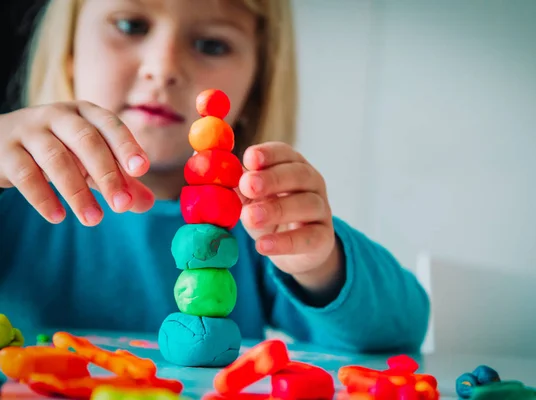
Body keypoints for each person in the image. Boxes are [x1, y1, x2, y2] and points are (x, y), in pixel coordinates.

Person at [0, 0, 429, 353]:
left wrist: (321, 262)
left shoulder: (258, 221)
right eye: (130, 24)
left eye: (211, 44)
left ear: (255, 88)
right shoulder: (11, 200)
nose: (164, 66)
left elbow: (399, 330)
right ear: (69, 55)